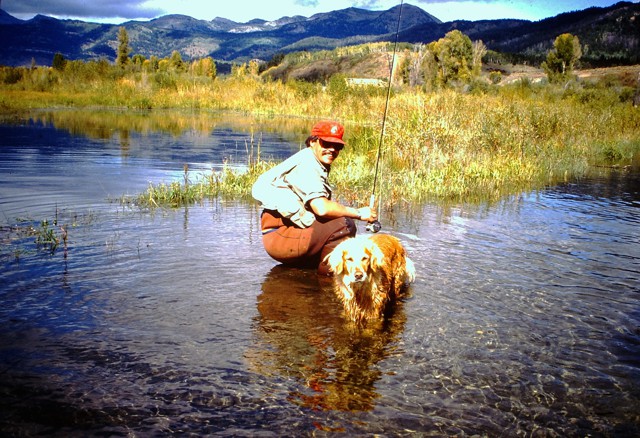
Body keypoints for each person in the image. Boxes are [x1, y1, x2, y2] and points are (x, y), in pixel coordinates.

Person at [252, 120, 377, 275]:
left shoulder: (312, 161)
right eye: (326, 143)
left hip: (285, 233)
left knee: (338, 222)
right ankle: (328, 285)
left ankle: (308, 274)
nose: (332, 150)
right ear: (313, 142)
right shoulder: (307, 165)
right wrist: (359, 213)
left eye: (338, 146)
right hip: (280, 236)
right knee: (344, 224)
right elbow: (322, 208)